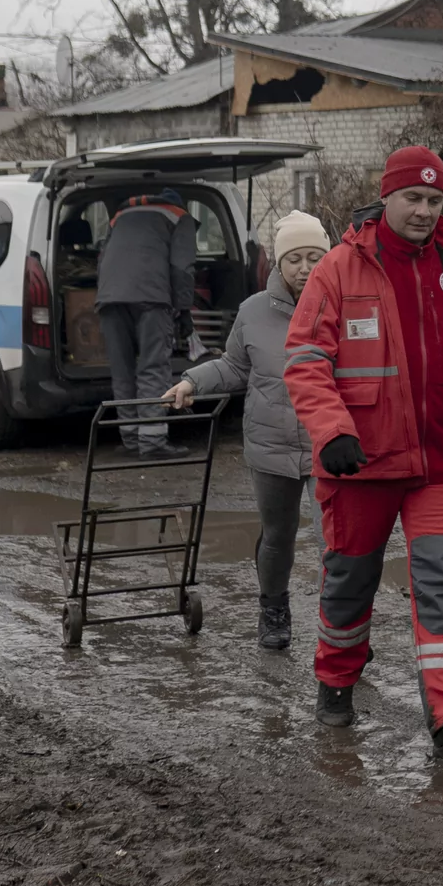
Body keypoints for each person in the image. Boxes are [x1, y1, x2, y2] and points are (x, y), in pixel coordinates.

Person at [285, 145, 443, 761]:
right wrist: (332, 433)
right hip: (362, 464)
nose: (425, 211)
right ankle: (335, 680)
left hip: (442, 466)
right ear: (387, 196)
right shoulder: (337, 269)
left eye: (435, 201)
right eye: (414, 198)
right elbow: (305, 361)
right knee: (349, 584)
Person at [163, 210, 331, 651]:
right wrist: (193, 381)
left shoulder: (346, 306)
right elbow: (235, 366)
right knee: (277, 537)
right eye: (295, 258)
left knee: (335, 541)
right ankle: (273, 609)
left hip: (329, 445)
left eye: (314, 256)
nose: (305, 268)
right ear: (279, 263)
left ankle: (343, 625)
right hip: (270, 446)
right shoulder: (253, 312)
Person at [97, 187, 196, 459]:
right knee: (153, 367)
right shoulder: (179, 217)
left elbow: (102, 259)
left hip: (109, 298)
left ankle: (130, 439)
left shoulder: (120, 216)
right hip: (151, 299)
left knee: (123, 370)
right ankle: (152, 442)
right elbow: (182, 268)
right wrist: (183, 308)